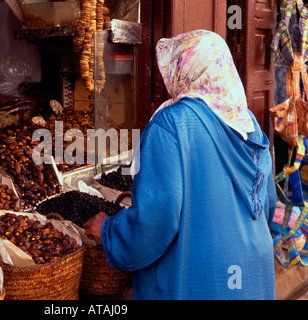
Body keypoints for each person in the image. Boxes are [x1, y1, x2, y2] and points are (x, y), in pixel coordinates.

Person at [83, 30, 277, 300]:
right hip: (254, 273)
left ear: (184, 70)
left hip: (199, 280)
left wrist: (110, 231)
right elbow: (265, 205)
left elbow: (156, 221)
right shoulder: (247, 123)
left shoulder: (172, 124)